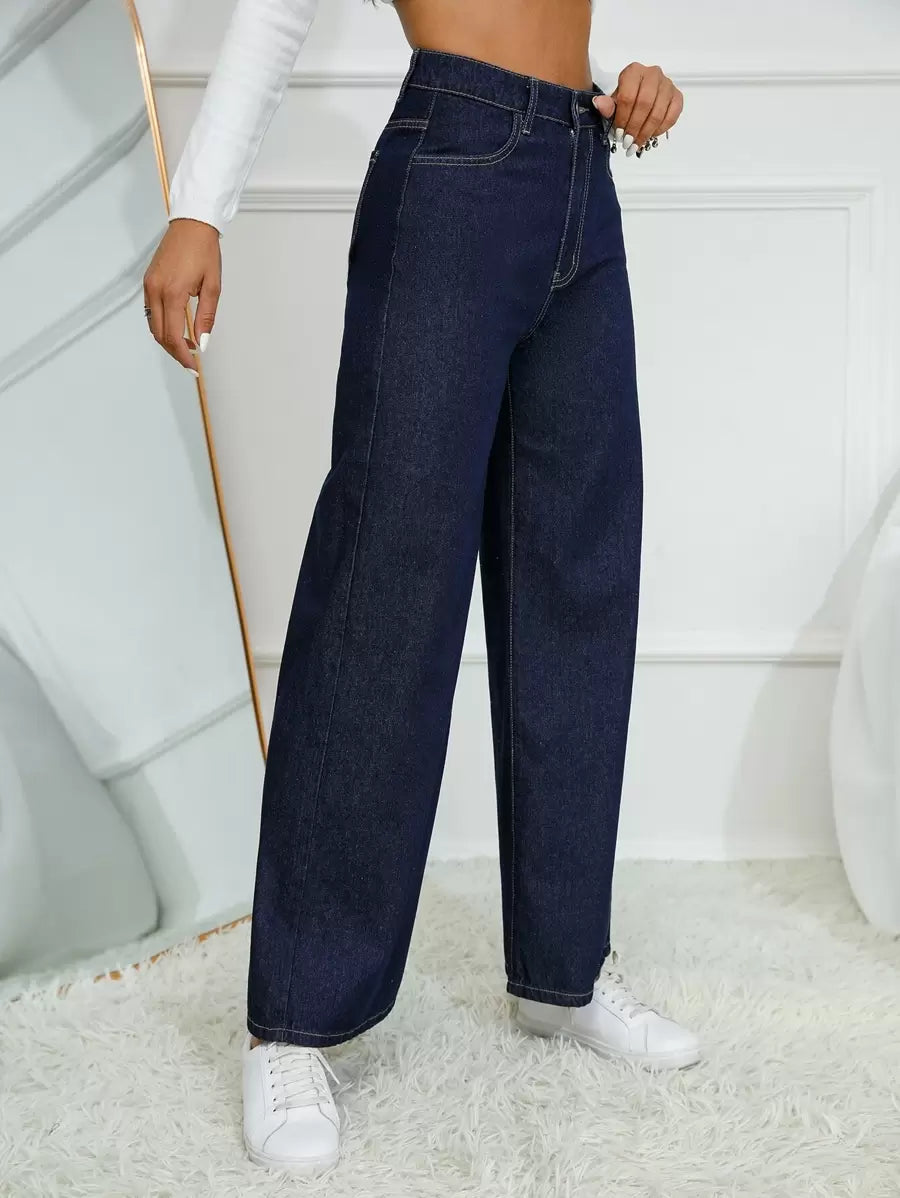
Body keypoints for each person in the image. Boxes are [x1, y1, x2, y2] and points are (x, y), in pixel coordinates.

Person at [144, 0, 695, 1177]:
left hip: (582, 170)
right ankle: (293, 1019)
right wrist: (200, 207)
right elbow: (277, 13)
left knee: (578, 577)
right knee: (382, 586)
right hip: (456, 160)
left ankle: (562, 970)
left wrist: (618, 81)